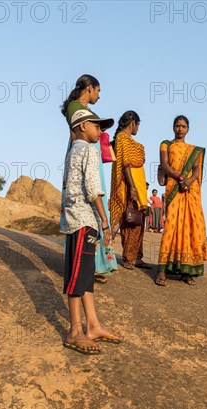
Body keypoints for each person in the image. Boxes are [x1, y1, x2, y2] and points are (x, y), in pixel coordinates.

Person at [60, 109, 122, 355]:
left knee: (85, 274)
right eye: (97, 126)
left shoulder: (73, 151)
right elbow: (92, 188)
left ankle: (93, 324)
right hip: (83, 221)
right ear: (82, 126)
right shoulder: (87, 150)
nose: (101, 130)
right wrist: (104, 221)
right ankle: (76, 330)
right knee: (78, 276)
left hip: (81, 219)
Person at [61, 74, 117, 283]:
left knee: (96, 197)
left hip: (90, 154)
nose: (99, 96)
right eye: (98, 91)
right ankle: (88, 263)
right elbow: (78, 136)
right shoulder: (76, 108)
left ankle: (96, 263)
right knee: (88, 201)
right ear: (90, 88)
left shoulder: (83, 110)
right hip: (83, 153)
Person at [155, 115, 207, 286]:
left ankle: (187, 270)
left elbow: (197, 168)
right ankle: (162, 270)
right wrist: (180, 178)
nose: (180, 129)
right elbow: (164, 164)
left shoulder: (194, 150)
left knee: (191, 227)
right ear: (173, 127)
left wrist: (190, 180)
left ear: (188, 129)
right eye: (177, 126)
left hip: (189, 191)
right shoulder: (166, 144)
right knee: (171, 226)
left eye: (183, 126)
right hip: (174, 188)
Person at [109, 111, 150, 270]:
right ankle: (128, 257)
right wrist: (132, 187)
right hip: (128, 187)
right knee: (128, 221)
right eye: (138, 125)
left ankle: (137, 257)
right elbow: (125, 164)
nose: (138, 129)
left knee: (138, 221)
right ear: (133, 122)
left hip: (139, 188)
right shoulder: (122, 139)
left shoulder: (132, 142)